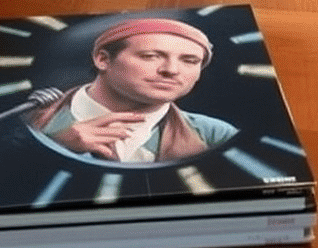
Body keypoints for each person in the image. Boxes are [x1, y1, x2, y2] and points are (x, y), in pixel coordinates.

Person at [23, 15, 238, 163]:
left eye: (190, 61)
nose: (171, 70)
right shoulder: (33, 118)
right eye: (151, 56)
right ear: (102, 59)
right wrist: (55, 143)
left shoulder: (214, 135)